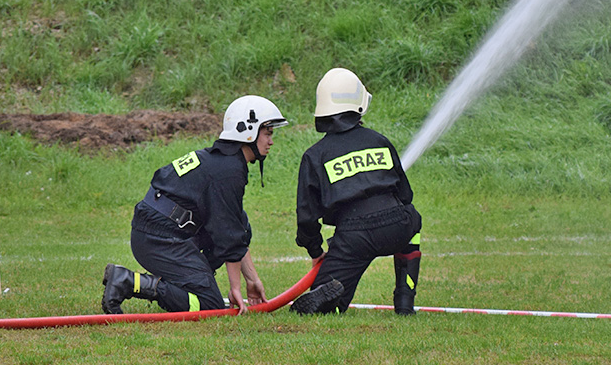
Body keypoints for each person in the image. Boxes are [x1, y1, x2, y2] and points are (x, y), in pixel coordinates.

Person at [101, 95, 288, 315]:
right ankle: (129, 282)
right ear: (248, 131)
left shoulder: (223, 162)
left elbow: (235, 228)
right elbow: (226, 232)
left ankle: (193, 279)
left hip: (162, 231)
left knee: (242, 222)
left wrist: (252, 279)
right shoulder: (228, 171)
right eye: (268, 133)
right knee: (210, 304)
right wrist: (235, 287)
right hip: (158, 239)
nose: (271, 141)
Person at [292, 68, 422, 315]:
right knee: (413, 219)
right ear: (358, 104)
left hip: (354, 237)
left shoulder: (315, 155)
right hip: (397, 226)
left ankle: (333, 295)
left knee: (326, 305)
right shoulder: (379, 140)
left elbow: (306, 216)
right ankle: (405, 304)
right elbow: (406, 195)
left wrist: (316, 251)